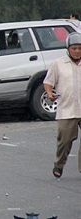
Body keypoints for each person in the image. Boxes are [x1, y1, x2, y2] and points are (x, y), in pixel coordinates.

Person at [44, 32, 81, 178]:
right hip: (67, 109)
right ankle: (59, 165)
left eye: (80, 48)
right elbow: (48, 82)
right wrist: (49, 93)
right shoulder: (58, 64)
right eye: (74, 48)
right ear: (68, 48)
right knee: (65, 141)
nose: (77, 51)